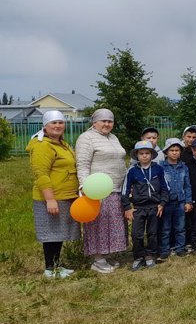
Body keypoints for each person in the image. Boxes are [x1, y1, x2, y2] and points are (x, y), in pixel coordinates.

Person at [26, 110, 80, 278]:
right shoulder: (43, 145)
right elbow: (41, 174)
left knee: (58, 233)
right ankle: (50, 269)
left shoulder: (61, 143)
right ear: (45, 126)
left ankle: (57, 265)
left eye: (60, 122)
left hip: (65, 195)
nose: (57, 126)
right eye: (53, 123)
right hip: (52, 197)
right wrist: (50, 199)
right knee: (51, 234)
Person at [75, 108, 128, 273]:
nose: (107, 124)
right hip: (98, 190)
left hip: (117, 189)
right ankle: (98, 259)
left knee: (113, 224)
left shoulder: (113, 137)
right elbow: (82, 163)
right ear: (94, 122)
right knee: (99, 225)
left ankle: (108, 254)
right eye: (103, 121)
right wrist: (84, 186)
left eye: (110, 121)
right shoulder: (86, 138)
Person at [122, 141, 169, 271]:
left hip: (155, 207)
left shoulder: (158, 169)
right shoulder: (132, 171)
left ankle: (150, 256)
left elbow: (165, 188)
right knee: (137, 234)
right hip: (138, 207)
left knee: (152, 233)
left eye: (147, 153)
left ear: (152, 154)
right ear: (136, 155)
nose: (144, 156)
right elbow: (125, 190)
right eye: (141, 153)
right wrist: (127, 207)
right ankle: (138, 257)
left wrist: (162, 203)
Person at [160, 138, 191, 258]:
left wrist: (188, 201)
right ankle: (164, 250)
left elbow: (187, 185)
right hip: (166, 202)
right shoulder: (161, 166)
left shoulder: (184, 167)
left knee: (180, 227)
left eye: (177, 150)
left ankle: (180, 248)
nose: (174, 152)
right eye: (171, 150)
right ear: (166, 152)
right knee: (166, 228)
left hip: (180, 201)